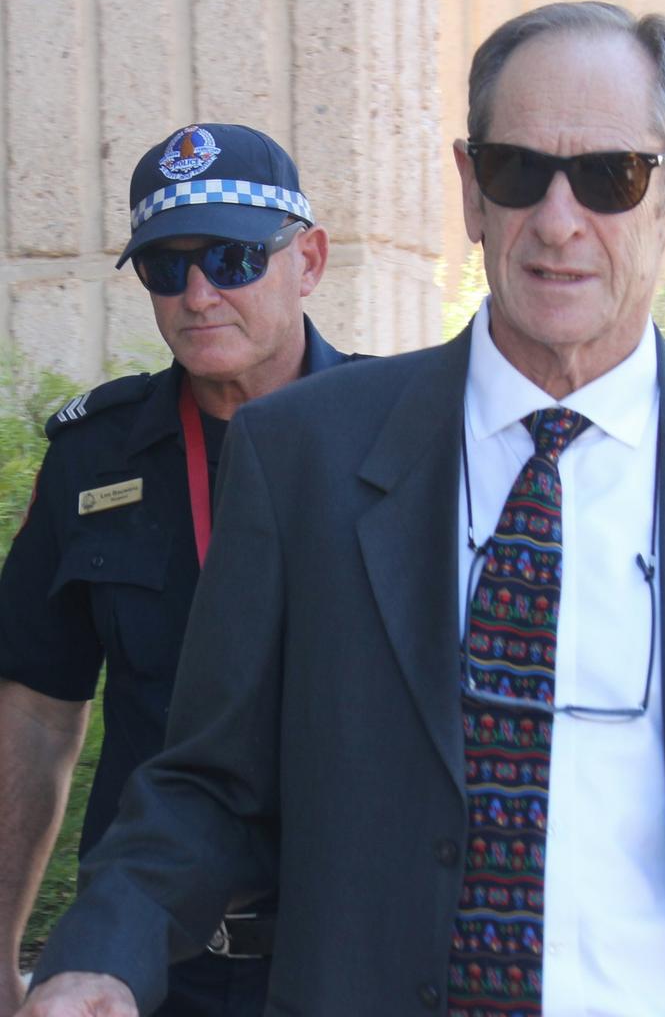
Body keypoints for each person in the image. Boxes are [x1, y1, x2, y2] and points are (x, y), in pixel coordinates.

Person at [13, 2, 665, 1017]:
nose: (556, 220)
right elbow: (206, 784)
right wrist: (96, 958)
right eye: (516, 171)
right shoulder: (306, 455)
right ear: (468, 189)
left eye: (610, 177)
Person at [0, 122, 355, 1017]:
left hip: (353, 959)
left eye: (234, 259)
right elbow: (37, 715)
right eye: (166, 267)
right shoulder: (95, 457)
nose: (198, 294)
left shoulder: (396, 440)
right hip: (143, 968)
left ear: (307, 260)